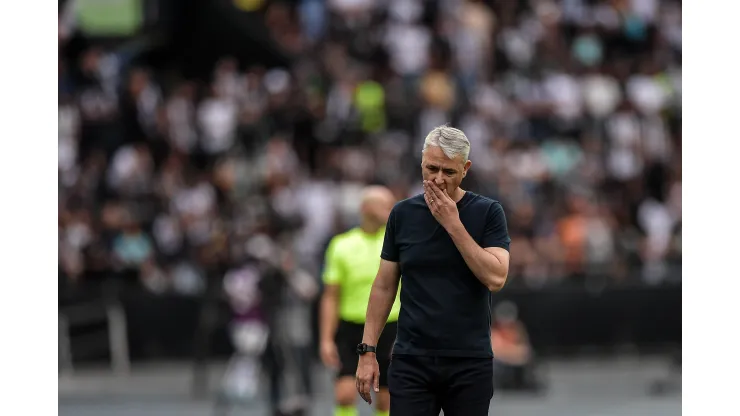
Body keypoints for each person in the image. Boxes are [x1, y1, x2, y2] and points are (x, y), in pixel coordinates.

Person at [355, 125, 511, 416]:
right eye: (431, 169)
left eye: (449, 172)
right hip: (412, 359)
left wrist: (453, 223)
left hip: (469, 360)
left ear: (465, 169)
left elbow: (496, 277)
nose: (438, 180)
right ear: (422, 163)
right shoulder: (402, 214)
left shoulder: (488, 212)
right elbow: (384, 285)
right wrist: (368, 352)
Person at [320, 186, 400, 416]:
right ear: (365, 208)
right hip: (351, 327)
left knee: (386, 398)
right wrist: (326, 339)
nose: (390, 208)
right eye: (383, 204)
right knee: (345, 393)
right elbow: (330, 295)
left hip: (390, 326)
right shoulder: (341, 244)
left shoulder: (396, 241)